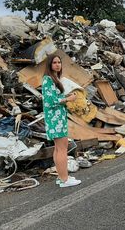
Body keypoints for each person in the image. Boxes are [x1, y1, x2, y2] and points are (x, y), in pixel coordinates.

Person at [42, 55, 81, 188]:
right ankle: (65, 180)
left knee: (59, 149)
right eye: (54, 63)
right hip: (55, 118)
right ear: (49, 65)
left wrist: (66, 97)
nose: (57, 65)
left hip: (58, 117)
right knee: (62, 149)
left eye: (59, 62)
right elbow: (50, 101)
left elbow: (55, 97)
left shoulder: (54, 79)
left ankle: (61, 177)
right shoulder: (47, 80)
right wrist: (67, 100)